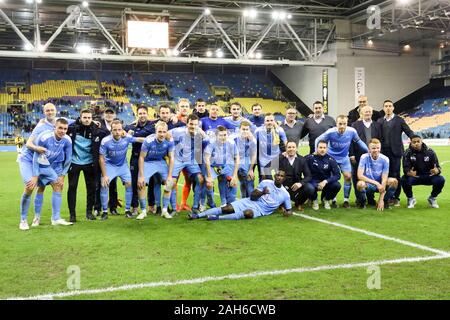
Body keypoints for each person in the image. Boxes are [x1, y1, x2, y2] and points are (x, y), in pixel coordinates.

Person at [18, 118, 73, 230]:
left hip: (45, 163)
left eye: (65, 129)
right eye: (60, 128)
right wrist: (35, 176)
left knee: (58, 184)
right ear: (54, 128)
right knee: (30, 186)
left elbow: (68, 159)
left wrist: (62, 175)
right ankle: (23, 220)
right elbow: (36, 157)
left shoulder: (67, 140)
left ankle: (56, 218)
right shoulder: (44, 137)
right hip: (29, 160)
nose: (62, 131)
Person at [188, 170, 292, 221]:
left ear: (284, 179)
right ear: (275, 176)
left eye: (281, 176)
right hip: (251, 201)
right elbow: (252, 196)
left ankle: (217, 218)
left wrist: (287, 213)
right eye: (277, 175)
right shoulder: (265, 182)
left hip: (261, 210)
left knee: (248, 213)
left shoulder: (285, 194)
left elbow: (289, 210)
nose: (279, 177)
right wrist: (262, 192)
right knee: (227, 208)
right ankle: (197, 216)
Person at [315, 115, 368, 208]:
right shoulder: (330, 132)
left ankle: (346, 200)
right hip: (331, 158)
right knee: (333, 179)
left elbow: (359, 142)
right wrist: (316, 151)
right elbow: (318, 139)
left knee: (348, 177)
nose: (342, 126)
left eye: (344, 124)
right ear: (336, 124)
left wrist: (368, 150)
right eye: (340, 124)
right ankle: (334, 200)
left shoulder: (352, 131)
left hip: (344, 158)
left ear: (347, 124)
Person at [67, 108, 109, 222]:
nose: (86, 120)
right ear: (80, 118)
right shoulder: (72, 128)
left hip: (90, 163)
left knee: (91, 189)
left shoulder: (96, 129)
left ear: (92, 118)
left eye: (89, 118)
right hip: (74, 162)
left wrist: (98, 124)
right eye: (84, 117)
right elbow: (60, 125)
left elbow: (107, 133)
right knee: (72, 187)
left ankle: (89, 212)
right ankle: (72, 214)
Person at [99, 120, 145, 219]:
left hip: (122, 166)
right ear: (111, 130)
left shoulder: (126, 137)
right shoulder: (105, 141)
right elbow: (101, 158)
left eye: (119, 129)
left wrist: (153, 138)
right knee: (104, 184)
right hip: (110, 165)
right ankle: (105, 212)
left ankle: (127, 210)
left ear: (122, 130)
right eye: (114, 130)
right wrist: (105, 175)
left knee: (129, 184)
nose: (117, 132)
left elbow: (138, 140)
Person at [377, 100, 415, 206]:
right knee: (385, 175)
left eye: (390, 106)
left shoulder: (399, 120)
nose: (388, 108)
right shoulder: (380, 121)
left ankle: (396, 197)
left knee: (396, 175)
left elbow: (408, 131)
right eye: (386, 106)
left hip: (396, 152)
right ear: (383, 108)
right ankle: (385, 197)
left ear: (393, 108)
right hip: (383, 152)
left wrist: (415, 138)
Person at [136, 121, 175, 220]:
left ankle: (165, 210)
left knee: (169, 183)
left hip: (160, 162)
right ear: (155, 131)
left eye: (164, 132)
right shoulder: (148, 141)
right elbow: (141, 158)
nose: (162, 134)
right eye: (160, 132)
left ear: (167, 132)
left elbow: (171, 158)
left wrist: (170, 175)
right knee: (141, 184)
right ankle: (143, 211)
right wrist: (141, 175)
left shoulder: (170, 141)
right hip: (148, 162)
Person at [169, 114, 207, 214]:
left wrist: (203, 134)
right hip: (178, 160)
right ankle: (173, 208)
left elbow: (210, 142)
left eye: (195, 124)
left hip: (191, 161)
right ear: (187, 123)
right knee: (171, 182)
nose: (193, 126)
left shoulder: (199, 134)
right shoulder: (178, 131)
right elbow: (165, 135)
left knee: (200, 179)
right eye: (191, 124)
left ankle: (195, 207)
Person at [124, 105, 155, 215]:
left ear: (147, 114)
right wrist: (131, 132)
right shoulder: (131, 126)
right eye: (140, 113)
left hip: (149, 158)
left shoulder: (152, 125)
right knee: (134, 182)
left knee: (151, 182)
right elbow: (125, 130)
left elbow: (149, 137)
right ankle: (135, 207)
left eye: (144, 113)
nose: (142, 115)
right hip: (136, 157)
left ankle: (151, 205)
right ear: (137, 115)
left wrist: (133, 137)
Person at [350, 105, 382, 205]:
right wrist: (351, 154)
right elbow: (351, 141)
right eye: (365, 112)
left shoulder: (377, 125)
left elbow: (381, 140)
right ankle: (360, 199)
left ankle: (371, 199)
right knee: (357, 177)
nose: (368, 113)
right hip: (358, 156)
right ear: (361, 114)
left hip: (373, 157)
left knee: (371, 176)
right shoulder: (355, 125)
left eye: (369, 112)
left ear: (372, 113)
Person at [401, 135, 445, 209]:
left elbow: (438, 167)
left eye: (418, 141)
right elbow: (405, 169)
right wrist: (409, 172)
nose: (416, 143)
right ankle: (410, 198)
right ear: (411, 143)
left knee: (441, 179)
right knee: (403, 179)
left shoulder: (430, 152)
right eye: (414, 142)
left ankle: (432, 198)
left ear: (422, 141)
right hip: (415, 177)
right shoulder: (407, 153)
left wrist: (437, 170)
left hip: (429, 176)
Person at [356, 138, 398, 211]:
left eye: (378, 148)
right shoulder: (364, 157)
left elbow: (384, 179)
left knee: (393, 181)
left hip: (381, 185)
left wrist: (381, 199)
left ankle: (385, 202)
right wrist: (376, 183)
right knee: (360, 184)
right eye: (373, 148)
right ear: (369, 149)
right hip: (369, 184)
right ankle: (363, 203)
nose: (376, 150)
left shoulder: (385, 159)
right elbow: (360, 176)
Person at [204, 126, 239, 207]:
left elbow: (237, 158)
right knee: (209, 184)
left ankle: (227, 203)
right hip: (213, 166)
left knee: (232, 183)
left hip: (226, 166)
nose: (223, 137)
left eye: (225, 135)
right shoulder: (211, 143)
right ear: (216, 136)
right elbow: (207, 159)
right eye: (220, 135)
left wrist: (234, 175)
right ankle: (211, 203)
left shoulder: (231, 143)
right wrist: (209, 176)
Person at [96, 107, 120, 215]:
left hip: (112, 161)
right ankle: (98, 207)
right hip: (100, 158)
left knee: (113, 184)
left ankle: (113, 207)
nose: (109, 115)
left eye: (111, 113)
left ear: (114, 115)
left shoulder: (118, 125)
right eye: (107, 113)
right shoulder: (98, 123)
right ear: (104, 114)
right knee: (99, 184)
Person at [305, 140, 341, 210]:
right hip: (313, 181)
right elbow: (299, 160)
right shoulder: (310, 158)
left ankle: (326, 199)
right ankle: (314, 200)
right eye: (320, 147)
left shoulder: (330, 159)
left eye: (324, 148)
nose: (322, 149)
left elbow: (338, 175)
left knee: (337, 185)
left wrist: (326, 181)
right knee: (309, 187)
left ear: (327, 149)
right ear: (317, 148)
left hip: (325, 182)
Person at [279, 141, 314, 211]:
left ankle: (298, 203)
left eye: (293, 147)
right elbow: (268, 168)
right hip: (283, 186)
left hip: (296, 185)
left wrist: (300, 183)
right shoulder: (280, 158)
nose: (291, 149)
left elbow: (308, 176)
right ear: (286, 148)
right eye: (289, 147)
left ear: (296, 149)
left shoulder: (302, 160)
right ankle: (281, 204)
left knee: (310, 188)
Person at [254, 113, 287, 181]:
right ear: (264, 122)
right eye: (267, 120)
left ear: (274, 121)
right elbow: (253, 144)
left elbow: (285, 142)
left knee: (279, 180)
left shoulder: (279, 130)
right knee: (264, 180)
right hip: (263, 160)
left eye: (271, 120)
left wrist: (286, 152)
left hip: (276, 159)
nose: (269, 122)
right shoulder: (258, 130)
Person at [234, 121, 257, 198]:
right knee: (240, 183)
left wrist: (251, 169)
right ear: (239, 129)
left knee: (249, 183)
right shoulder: (234, 139)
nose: (245, 131)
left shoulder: (252, 140)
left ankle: (251, 203)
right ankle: (242, 201)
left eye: (247, 129)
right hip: (235, 164)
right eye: (243, 129)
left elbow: (254, 155)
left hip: (246, 164)